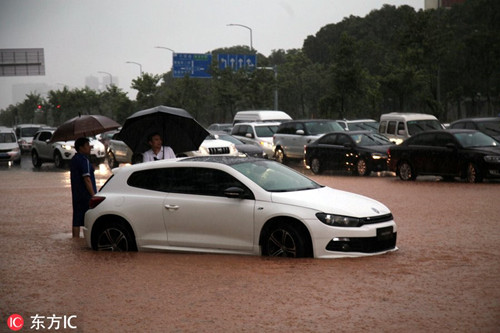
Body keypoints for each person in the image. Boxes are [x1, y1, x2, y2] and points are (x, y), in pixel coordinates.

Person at [70, 137, 97, 238]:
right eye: (87, 145)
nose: (90, 147)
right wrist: (93, 195)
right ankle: (88, 241)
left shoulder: (74, 159)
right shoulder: (84, 160)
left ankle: (75, 240)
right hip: (86, 195)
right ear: (81, 148)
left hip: (76, 194)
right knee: (90, 219)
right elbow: (87, 179)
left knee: (76, 220)